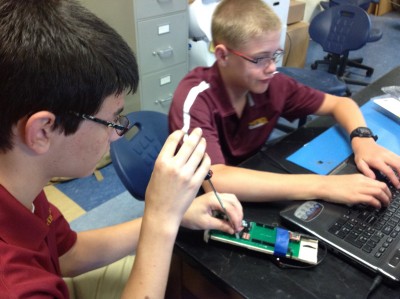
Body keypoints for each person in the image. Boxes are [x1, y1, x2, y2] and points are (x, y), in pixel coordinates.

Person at [0, 0, 243, 298]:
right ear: (42, 131)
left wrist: (175, 215)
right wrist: (161, 219)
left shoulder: (20, 180)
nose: (116, 135)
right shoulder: (12, 283)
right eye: (111, 119)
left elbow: (68, 253)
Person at [169, 0, 400, 209]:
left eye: (275, 55)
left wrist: (363, 140)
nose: (271, 68)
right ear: (222, 56)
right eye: (260, 59)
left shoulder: (272, 83)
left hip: (248, 178)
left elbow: (341, 104)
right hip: (195, 201)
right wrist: (325, 186)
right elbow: (215, 180)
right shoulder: (195, 97)